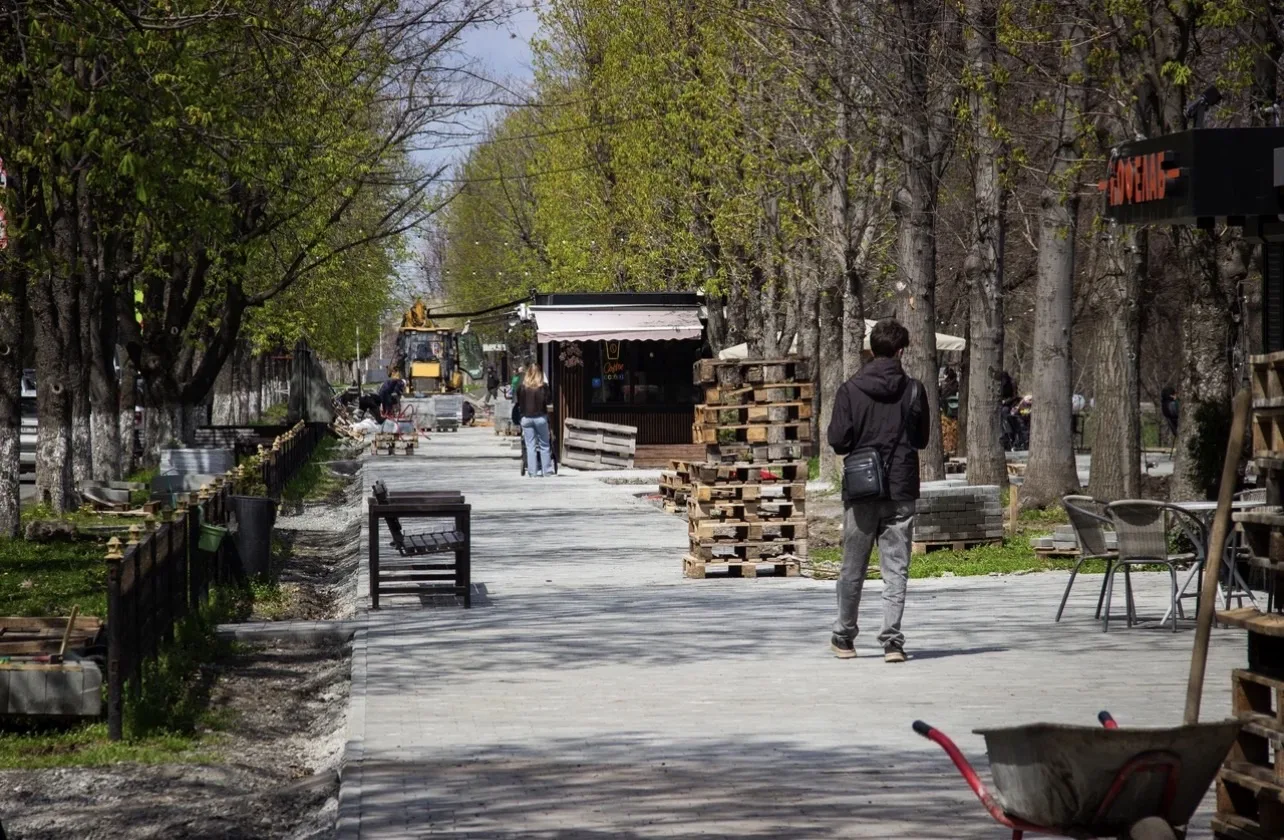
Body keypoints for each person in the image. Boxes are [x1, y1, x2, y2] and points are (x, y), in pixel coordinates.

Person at [826, 318, 930, 663]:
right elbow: (921, 439)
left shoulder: (850, 389)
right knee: (896, 567)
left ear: (871, 348)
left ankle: (844, 638)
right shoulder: (914, 389)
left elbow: (838, 441)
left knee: (852, 565)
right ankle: (892, 642)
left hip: (861, 489)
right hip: (901, 486)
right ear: (901, 351)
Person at [517, 364, 553, 477]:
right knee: (544, 444)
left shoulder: (522, 388)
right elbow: (548, 401)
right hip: (540, 417)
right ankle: (546, 471)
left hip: (526, 418)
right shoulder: (543, 387)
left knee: (530, 445)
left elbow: (519, 403)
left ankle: (532, 472)